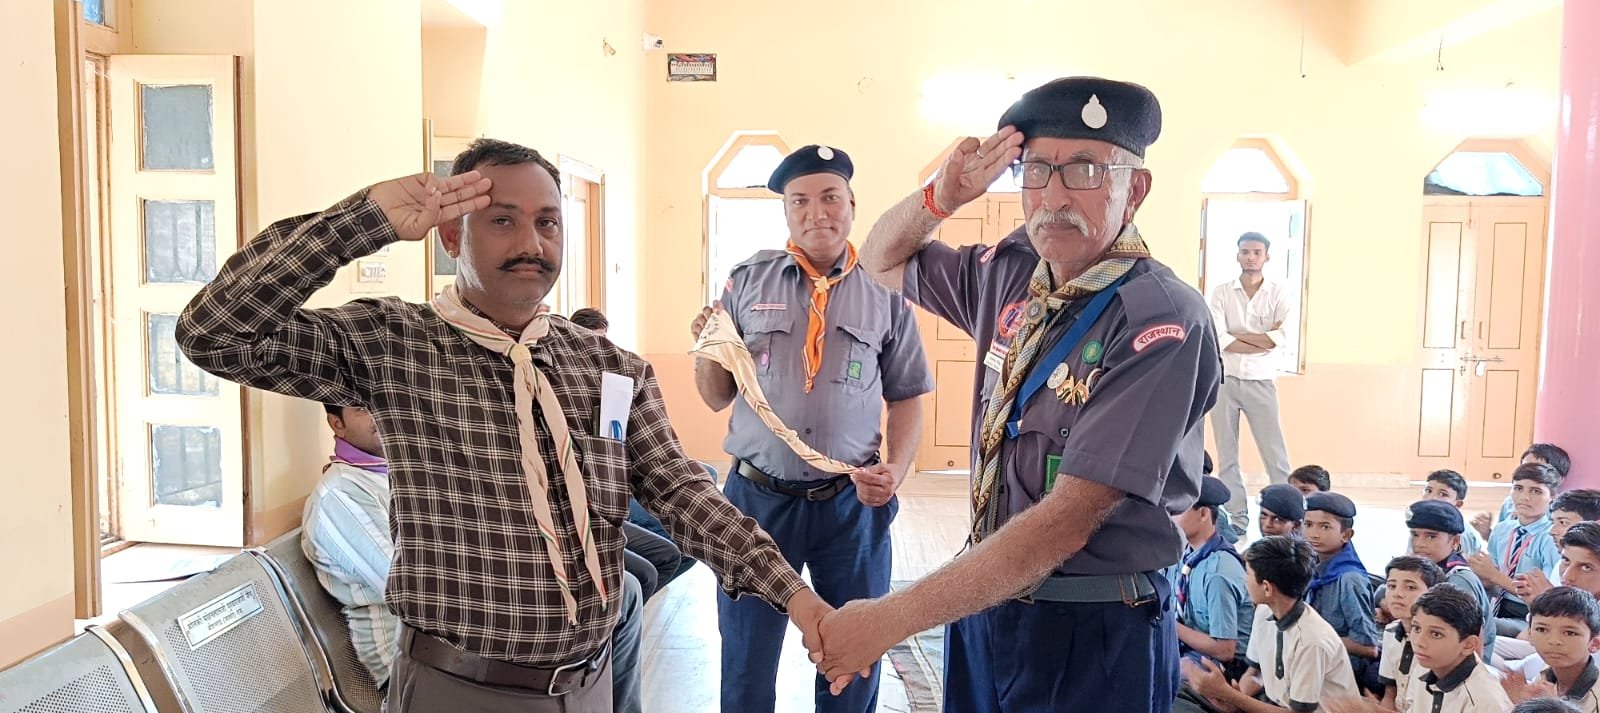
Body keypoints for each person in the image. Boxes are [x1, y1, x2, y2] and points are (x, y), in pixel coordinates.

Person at [177, 138, 833, 712]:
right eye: (502, 221)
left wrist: (798, 600)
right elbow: (215, 333)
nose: (531, 244)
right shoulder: (394, 345)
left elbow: (681, 493)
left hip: (591, 684)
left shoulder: (608, 366)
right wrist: (362, 221)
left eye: (548, 222)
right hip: (459, 691)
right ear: (452, 236)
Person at [822, 76, 1221, 712]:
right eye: (1037, 170)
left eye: (1085, 170)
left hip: (1091, 629)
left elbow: (1066, 522)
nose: (1054, 197)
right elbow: (879, 259)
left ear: (1134, 190)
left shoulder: (1159, 321)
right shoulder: (1012, 275)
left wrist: (887, 620)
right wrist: (940, 197)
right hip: (986, 605)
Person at [691, 144, 934, 713]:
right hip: (756, 504)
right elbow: (715, 396)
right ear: (786, 211)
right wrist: (707, 347)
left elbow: (906, 397)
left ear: (852, 205)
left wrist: (896, 471)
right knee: (746, 659)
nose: (816, 212)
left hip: (850, 507)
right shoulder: (746, 282)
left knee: (855, 657)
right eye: (799, 201)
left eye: (830, 198)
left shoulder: (887, 290)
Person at [304, 403, 650, 709]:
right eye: (361, 409)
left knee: (616, 594)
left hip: (468, 639)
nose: (379, 413)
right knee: (616, 598)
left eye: (378, 402)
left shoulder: (401, 469)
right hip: (424, 661)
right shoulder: (340, 495)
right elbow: (415, 587)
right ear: (337, 424)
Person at [564, 306, 686, 599]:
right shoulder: (560, 389)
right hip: (591, 499)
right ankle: (625, 606)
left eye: (603, 342)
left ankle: (629, 609)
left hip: (622, 479)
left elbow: (645, 446)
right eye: (591, 342)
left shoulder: (616, 383)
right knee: (659, 554)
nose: (597, 353)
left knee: (682, 541)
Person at [1182, 536, 1360, 713]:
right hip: (1273, 705)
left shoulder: (1310, 641)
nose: (1244, 579)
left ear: (1267, 587)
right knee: (1182, 695)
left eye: (1248, 573)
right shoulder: (1263, 612)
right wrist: (1232, 703)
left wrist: (1229, 695)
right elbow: (1255, 674)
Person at [1209, 232, 1293, 531]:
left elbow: (1279, 338)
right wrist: (1259, 339)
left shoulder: (1278, 293)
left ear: (1266, 256)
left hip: (1262, 381)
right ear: (1238, 255)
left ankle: (1287, 517)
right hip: (1225, 381)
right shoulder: (1221, 293)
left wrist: (1239, 337)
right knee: (1227, 457)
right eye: (1245, 252)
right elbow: (1219, 337)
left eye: (1257, 252)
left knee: (1275, 456)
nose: (1251, 257)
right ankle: (1238, 520)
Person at [1471, 462, 1564, 637]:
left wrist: (1494, 575)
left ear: (1552, 496)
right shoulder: (1502, 529)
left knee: (1475, 626)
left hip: (1529, 614)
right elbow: (1491, 578)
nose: (1525, 497)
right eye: (1518, 488)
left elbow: (1546, 596)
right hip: (1496, 603)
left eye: (1536, 491)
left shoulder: (1551, 537)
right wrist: (1478, 570)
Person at [1174, 476, 1253, 676]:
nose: (1170, 518)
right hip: (1187, 649)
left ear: (1203, 514)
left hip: (1226, 666)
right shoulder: (1185, 556)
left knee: (1165, 675)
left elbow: (1224, 650)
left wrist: (1170, 627)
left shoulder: (1219, 571)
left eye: (1177, 511)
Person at [1302, 493, 1380, 688]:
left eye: (1325, 527)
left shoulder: (1349, 580)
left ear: (1346, 535)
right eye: (1308, 524)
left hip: (1342, 679)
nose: (1313, 534)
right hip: (1314, 670)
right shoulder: (1313, 567)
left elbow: (1368, 647)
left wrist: (1313, 638)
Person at [1407, 500, 1497, 658]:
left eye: (1431, 536)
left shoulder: (1458, 582)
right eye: (1415, 535)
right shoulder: (1426, 570)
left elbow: (1473, 644)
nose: (1419, 543)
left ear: (1455, 541)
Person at [1403, 586, 1511, 713]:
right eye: (1416, 628)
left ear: (1469, 645)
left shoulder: (1485, 703)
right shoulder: (1425, 664)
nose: (1419, 642)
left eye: (1436, 634)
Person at [1502, 587, 1600, 711]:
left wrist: (1551, 707)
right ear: (1530, 635)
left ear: (1595, 643)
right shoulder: (1546, 675)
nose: (1554, 641)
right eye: (1542, 629)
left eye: (1570, 633)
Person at [1377, 556, 1445, 711]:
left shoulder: (1442, 644)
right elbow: (1390, 695)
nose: (1397, 594)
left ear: (1433, 593)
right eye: (1392, 586)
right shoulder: (1390, 632)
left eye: (1410, 587)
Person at [1475, 443, 1575, 539]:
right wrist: (1487, 533)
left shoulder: (1563, 513)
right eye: (1524, 467)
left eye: (1538, 470)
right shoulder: (1509, 502)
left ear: (1558, 479)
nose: (1528, 474)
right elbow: (1502, 542)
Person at [1422, 470, 1486, 555]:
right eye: (1428, 491)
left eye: (1442, 494)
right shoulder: (1421, 523)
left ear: (1458, 504)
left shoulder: (1459, 533)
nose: (1432, 498)